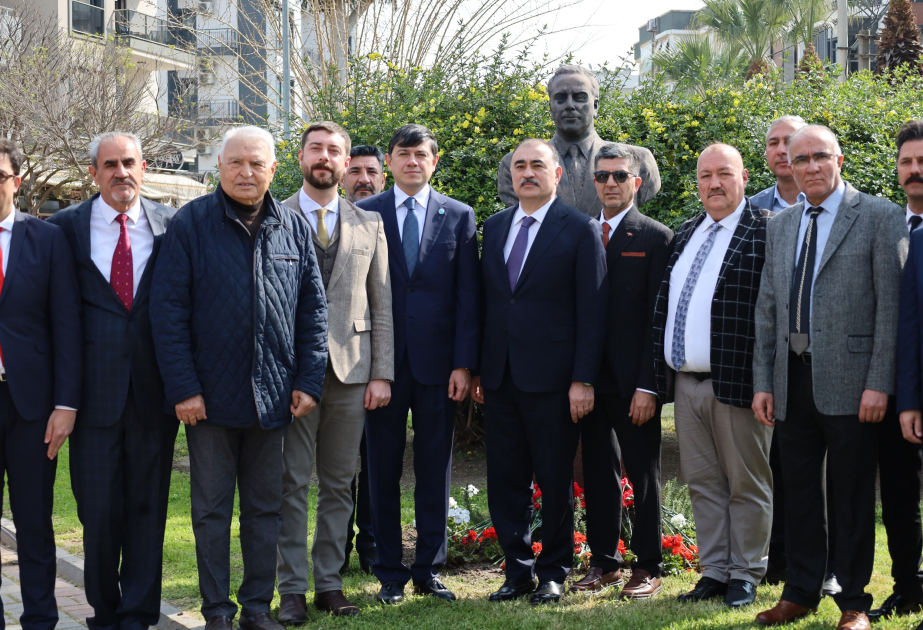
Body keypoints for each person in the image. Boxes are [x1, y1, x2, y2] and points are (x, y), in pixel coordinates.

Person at [151, 126, 328, 630]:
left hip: (272, 399)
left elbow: (314, 312)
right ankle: (217, 613)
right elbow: (167, 313)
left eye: (256, 164)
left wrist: (309, 380)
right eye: (236, 163)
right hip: (207, 401)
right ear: (219, 168)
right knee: (209, 513)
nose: (246, 173)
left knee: (264, 511)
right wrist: (184, 388)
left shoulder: (292, 227)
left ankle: (256, 609)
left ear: (274, 169)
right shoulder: (190, 225)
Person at [753, 125, 907, 630]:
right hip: (791, 379)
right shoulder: (781, 224)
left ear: (840, 159)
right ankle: (800, 591)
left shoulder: (880, 216)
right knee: (797, 492)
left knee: (853, 495)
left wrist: (880, 382)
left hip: (854, 381)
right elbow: (769, 308)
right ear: (789, 167)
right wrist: (764, 381)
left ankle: (855, 602)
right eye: (801, 159)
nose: (811, 166)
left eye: (821, 156)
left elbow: (891, 309)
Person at [47, 132, 179, 630]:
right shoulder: (63, 229)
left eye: (129, 163)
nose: (121, 172)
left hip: (154, 395)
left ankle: (140, 615)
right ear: (93, 172)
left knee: (149, 513)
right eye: (110, 165)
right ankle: (104, 612)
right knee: (98, 515)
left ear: (143, 167)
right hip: (91, 397)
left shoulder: (173, 226)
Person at [472, 138, 607, 605]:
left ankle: (553, 570)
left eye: (537, 165)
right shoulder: (494, 227)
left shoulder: (579, 228)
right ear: (511, 175)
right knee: (506, 480)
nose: (527, 173)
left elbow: (593, 312)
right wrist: (475, 369)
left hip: (555, 381)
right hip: (500, 377)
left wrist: (583, 379)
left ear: (557, 175)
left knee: (554, 481)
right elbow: (487, 304)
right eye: (519, 166)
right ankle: (517, 570)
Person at [357, 124, 480, 605]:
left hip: (439, 368)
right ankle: (389, 571)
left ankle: (429, 567)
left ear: (434, 160)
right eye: (403, 154)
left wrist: (464, 365)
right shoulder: (365, 213)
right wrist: (369, 367)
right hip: (382, 367)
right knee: (381, 470)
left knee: (435, 469)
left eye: (421, 155)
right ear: (389, 161)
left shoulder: (460, 215)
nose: (412, 161)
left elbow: (469, 297)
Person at [275, 122, 393, 620]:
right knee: (291, 482)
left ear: (346, 165)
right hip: (288, 374)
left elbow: (381, 303)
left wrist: (382, 372)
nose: (325, 158)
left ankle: (329, 582)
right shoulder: (273, 217)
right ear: (300, 157)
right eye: (316, 149)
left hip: (352, 371)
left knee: (340, 482)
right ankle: (292, 589)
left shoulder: (369, 224)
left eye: (334, 151)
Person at [652, 143, 774, 609]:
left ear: (744, 177)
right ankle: (715, 571)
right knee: (703, 482)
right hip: (686, 384)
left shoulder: (766, 229)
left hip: (738, 380)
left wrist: (767, 380)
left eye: (724, 174)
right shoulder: (687, 231)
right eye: (705, 176)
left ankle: (745, 573)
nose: (714, 184)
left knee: (747, 483)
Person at [568, 143, 672, 599]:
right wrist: (579, 378)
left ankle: (648, 565)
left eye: (620, 176)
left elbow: (659, 317)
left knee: (643, 475)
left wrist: (651, 385)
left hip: (636, 387)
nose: (611, 183)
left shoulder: (655, 237)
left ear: (637, 182)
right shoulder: (582, 234)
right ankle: (605, 562)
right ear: (594, 183)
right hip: (591, 384)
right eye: (603, 176)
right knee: (597, 474)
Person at [750, 115, 842, 593]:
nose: (788, 154)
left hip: (841, 373)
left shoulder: (859, 212)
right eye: (778, 145)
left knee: (835, 483)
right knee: (790, 474)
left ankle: (838, 578)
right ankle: (790, 570)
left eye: (803, 148)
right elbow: (765, 304)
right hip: (786, 369)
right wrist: (762, 376)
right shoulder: (762, 216)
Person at [0, 139, 82, 630]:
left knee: (33, 521)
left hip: (32, 405)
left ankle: (40, 619)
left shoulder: (46, 238)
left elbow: (67, 325)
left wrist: (66, 403)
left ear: (17, 180)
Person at [497, 65, 661, 215]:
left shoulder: (640, 161)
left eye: (579, 97)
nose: (569, 105)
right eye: (561, 98)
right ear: (550, 107)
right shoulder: (513, 165)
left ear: (595, 106)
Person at [881, 119, 923, 623]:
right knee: (897, 495)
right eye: (907, 162)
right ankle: (908, 584)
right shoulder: (883, 225)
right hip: (893, 390)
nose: (916, 171)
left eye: (922, 161)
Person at [338, 143, 387, 575]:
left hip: (383, 364)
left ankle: (371, 543)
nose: (363, 179)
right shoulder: (332, 222)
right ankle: (338, 544)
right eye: (355, 171)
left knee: (375, 461)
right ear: (341, 176)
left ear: (383, 177)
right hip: (340, 363)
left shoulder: (383, 222)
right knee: (337, 466)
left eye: (371, 171)